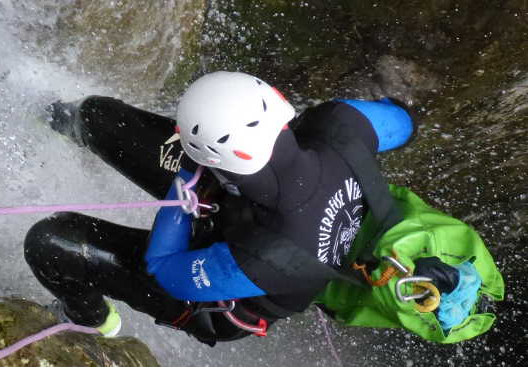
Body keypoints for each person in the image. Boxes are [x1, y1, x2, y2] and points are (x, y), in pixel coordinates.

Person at [23, 71, 423, 344]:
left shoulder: (265, 259)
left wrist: (181, 198)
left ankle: (88, 319)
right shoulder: (341, 126)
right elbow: (403, 122)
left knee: (51, 243)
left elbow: (166, 271)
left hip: (222, 296)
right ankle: (42, 112)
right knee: (97, 118)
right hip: (232, 197)